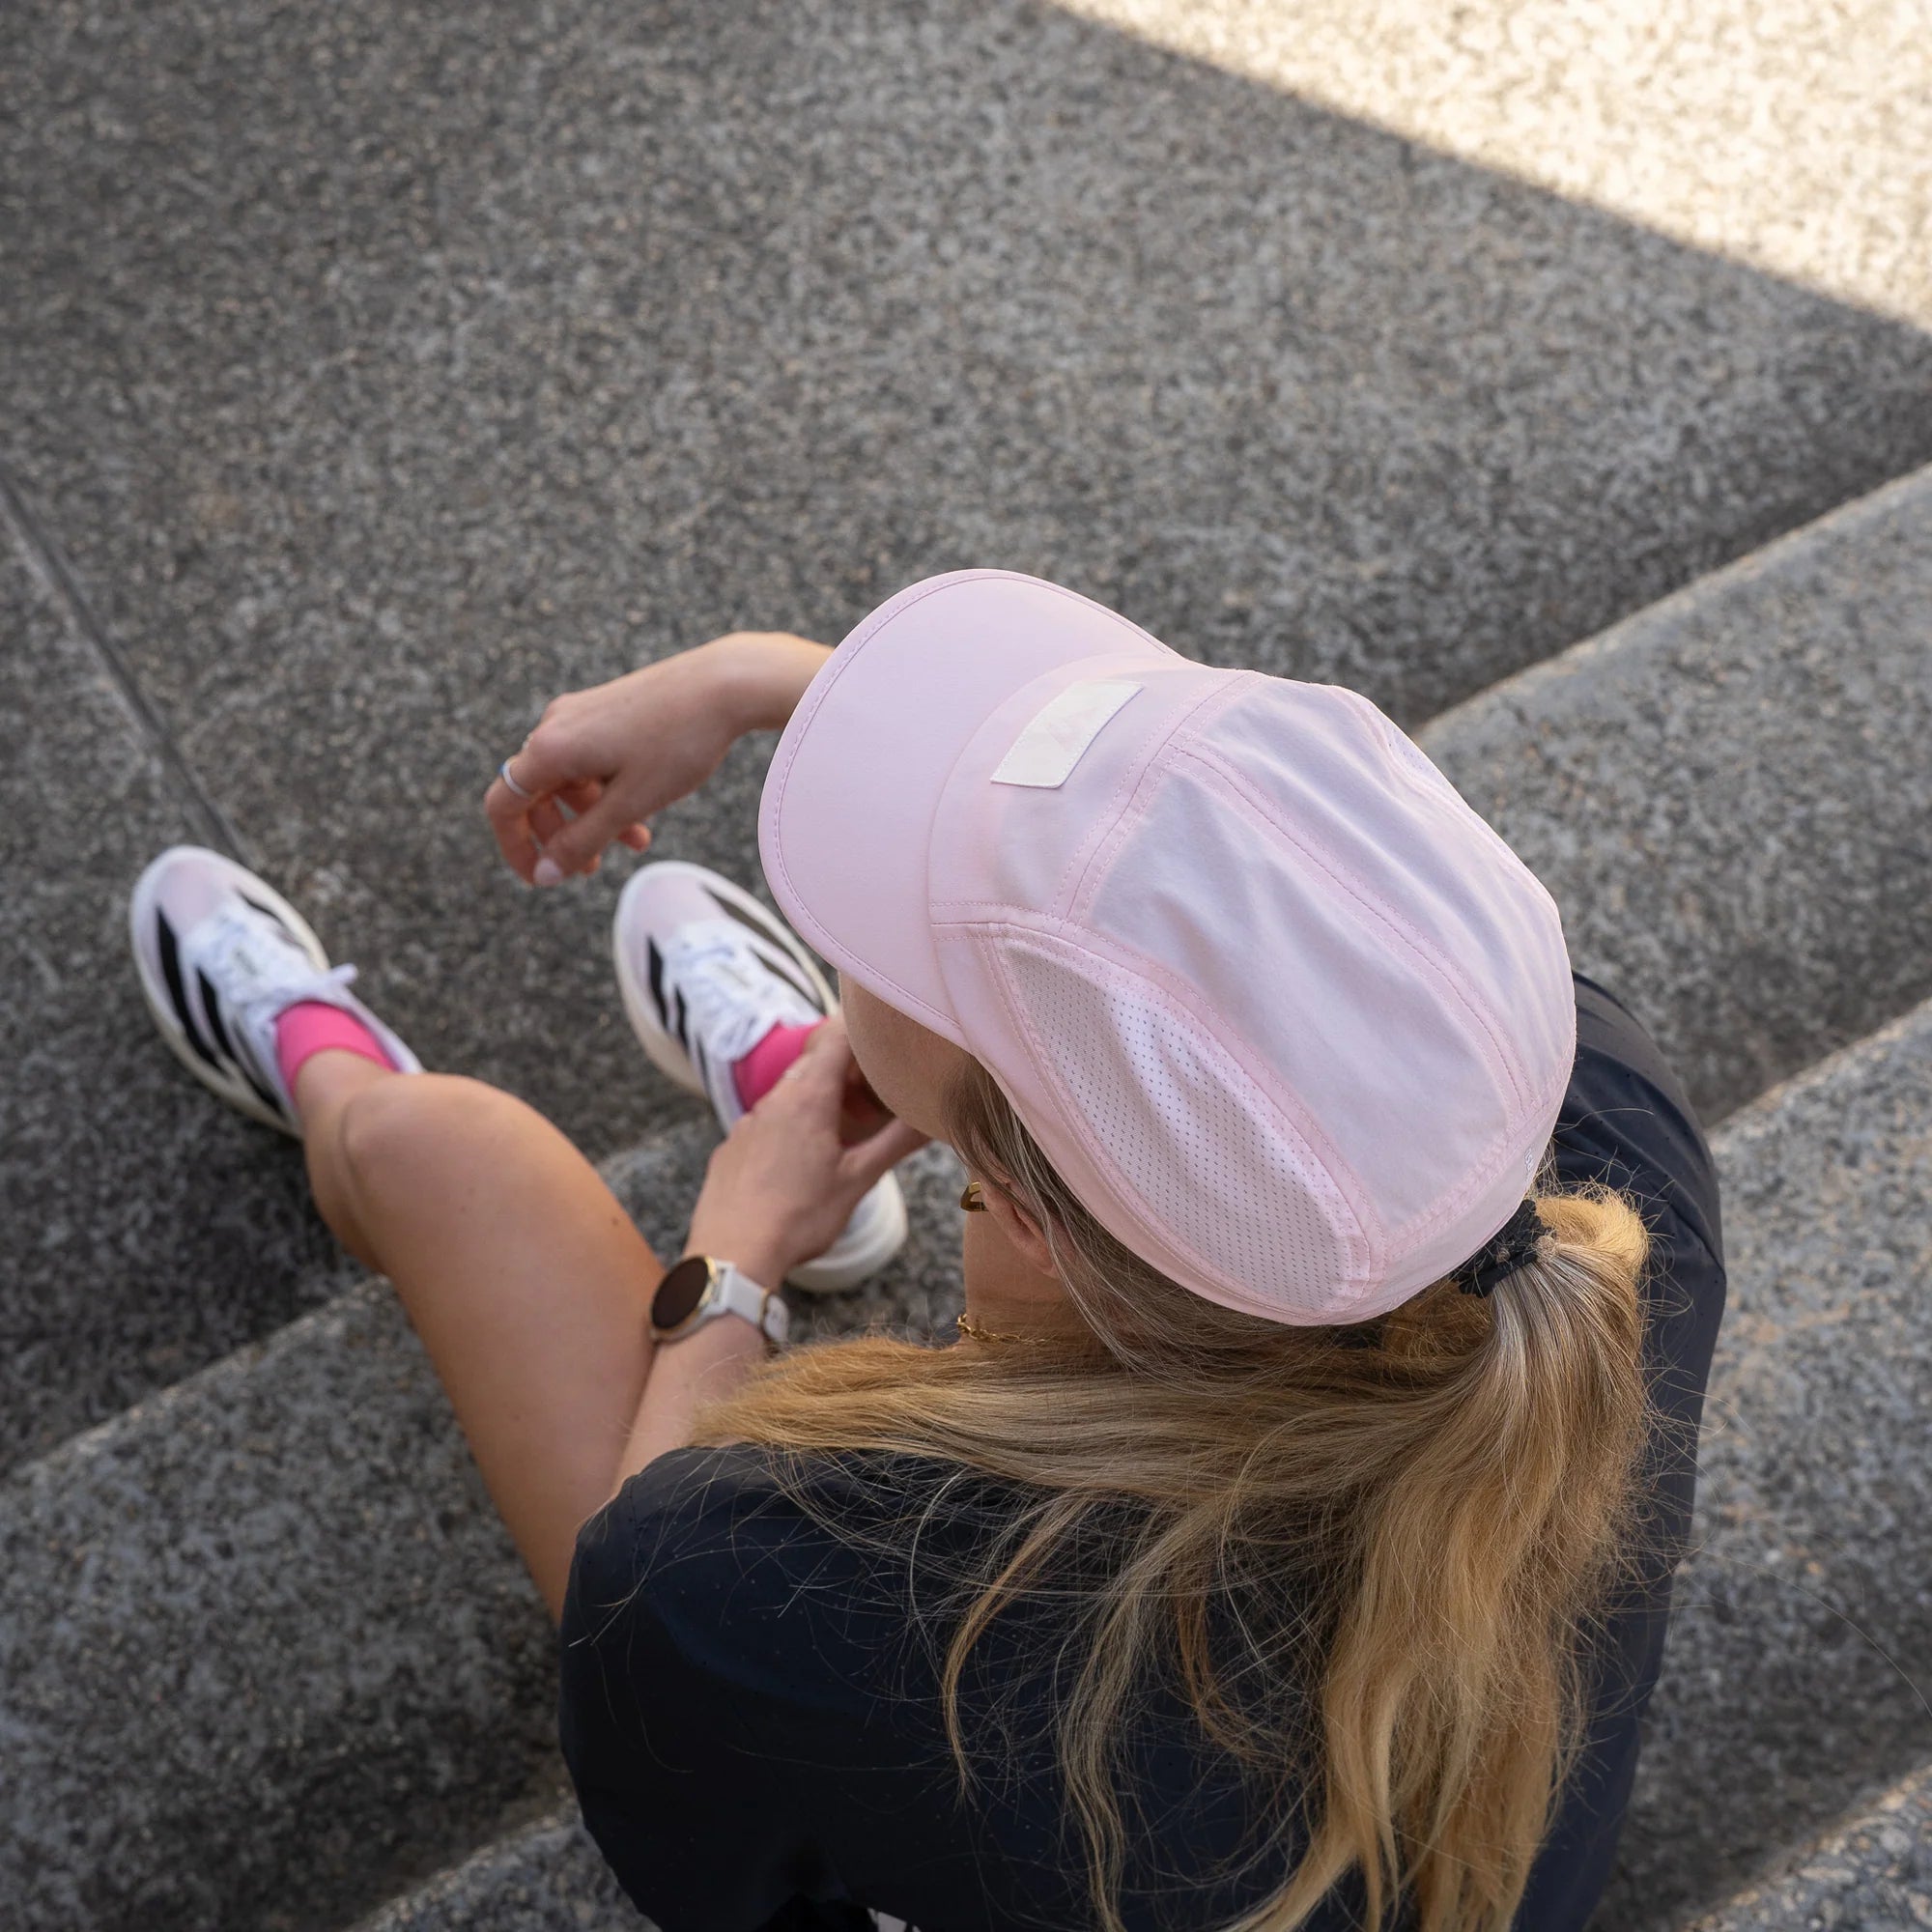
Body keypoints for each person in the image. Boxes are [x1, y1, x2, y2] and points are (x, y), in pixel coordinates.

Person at [129, 569, 1725, 1932]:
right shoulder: (1609, 1145)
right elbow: (1243, 904)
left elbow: (714, 1866)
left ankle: (345, 1066)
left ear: (1031, 1223)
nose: (868, 935)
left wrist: (739, 1255)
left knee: (439, 1153)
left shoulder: (809, 1586)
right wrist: (769, 686)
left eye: (894, 965)